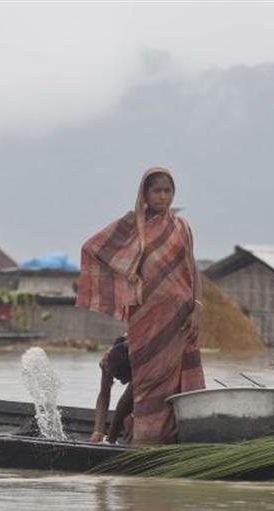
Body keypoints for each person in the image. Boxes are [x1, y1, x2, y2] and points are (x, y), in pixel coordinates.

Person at [76, 167, 205, 444]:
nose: (163, 197)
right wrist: (128, 277)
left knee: (181, 377)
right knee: (147, 379)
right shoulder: (133, 225)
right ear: (144, 194)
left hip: (181, 317)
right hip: (147, 315)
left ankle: (178, 436)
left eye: (167, 191)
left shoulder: (182, 227)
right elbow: (93, 248)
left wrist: (196, 307)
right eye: (157, 191)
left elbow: (192, 269)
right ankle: (145, 438)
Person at [89, 335, 135, 443]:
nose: (123, 383)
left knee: (131, 423)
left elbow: (125, 403)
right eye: (118, 379)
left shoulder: (140, 360)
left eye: (125, 379)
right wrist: (98, 431)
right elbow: (104, 394)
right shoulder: (107, 362)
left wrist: (110, 439)